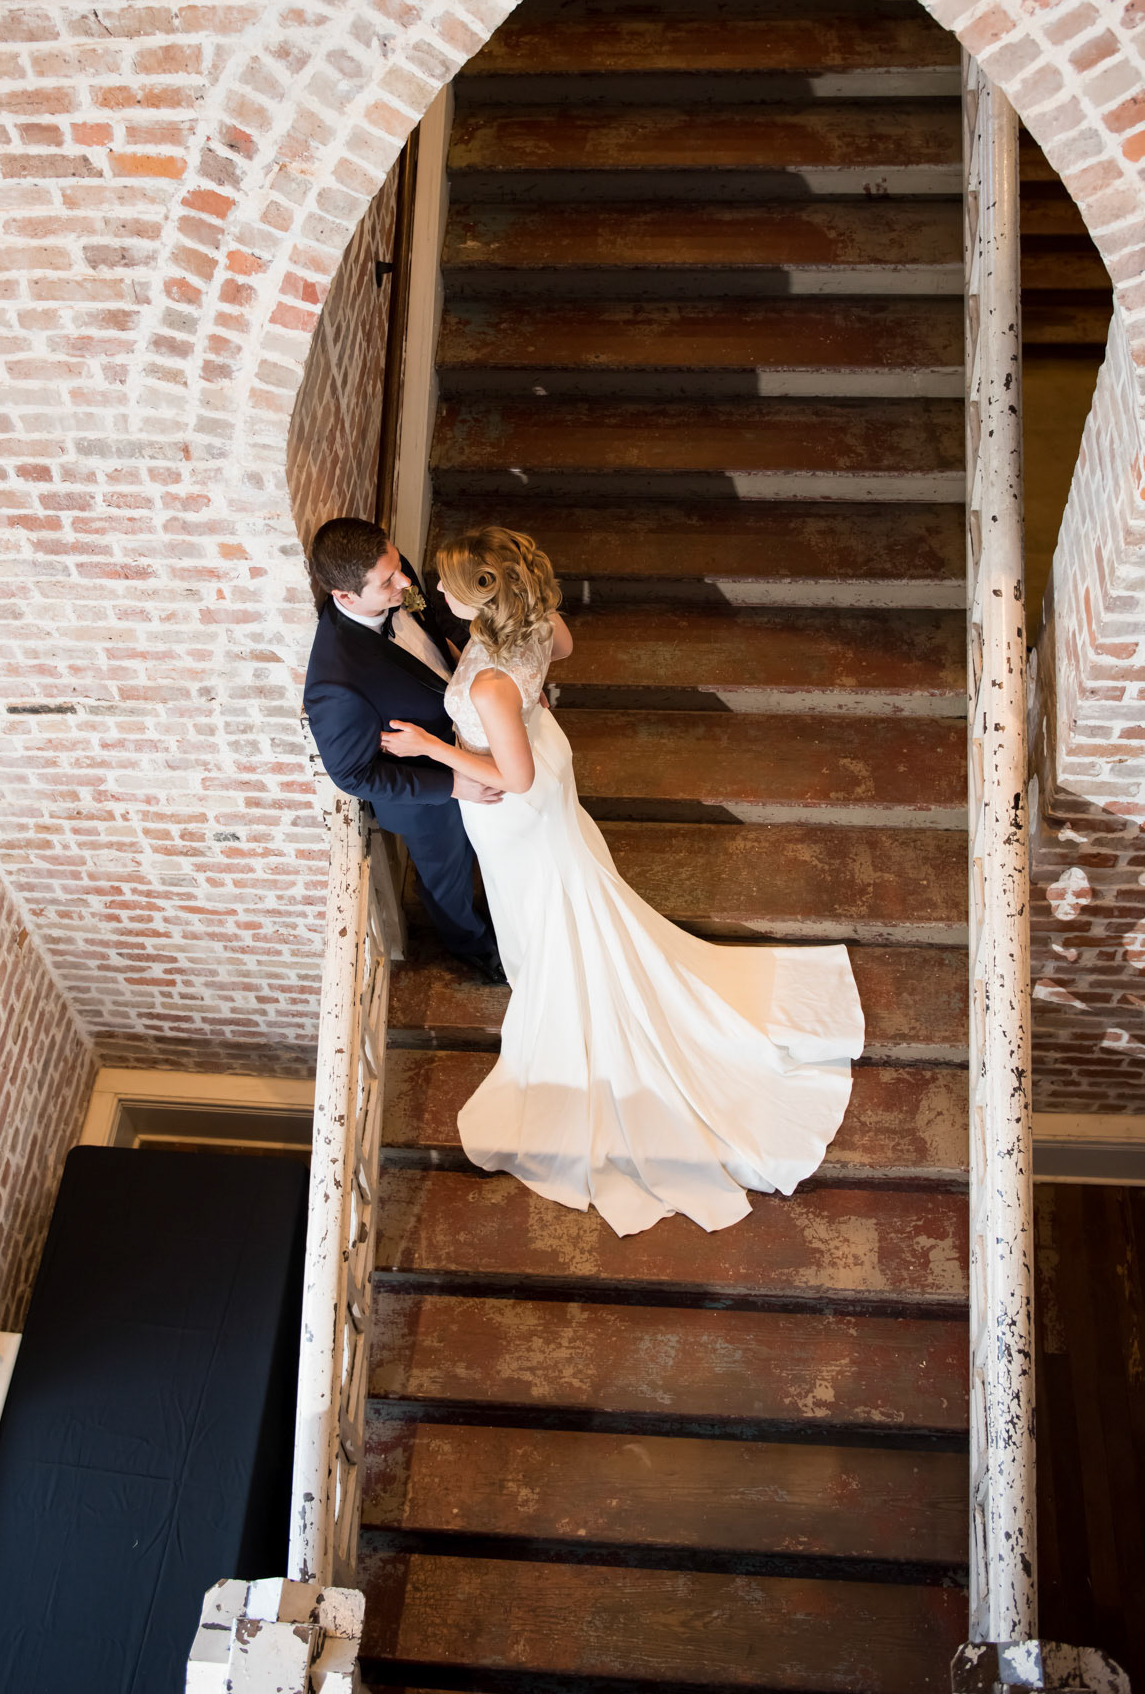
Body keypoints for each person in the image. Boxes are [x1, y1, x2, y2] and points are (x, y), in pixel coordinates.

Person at [380, 524, 866, 1237]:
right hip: (544, 770)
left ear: (478, 597)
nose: (438, 591)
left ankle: (568, 992)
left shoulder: (486, 681)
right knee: (566, 895)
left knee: (548, 906)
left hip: (515, 804)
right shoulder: (531, 627)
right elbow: (562, 649)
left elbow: (510, 779)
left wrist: (429, 746)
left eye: (447, 584)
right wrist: (525, 699)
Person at [302, 515, 507, 985]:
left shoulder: (394, 575)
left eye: (397, 565)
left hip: (465, 737)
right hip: (425, 796)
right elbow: (354, 775)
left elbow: (432, 623)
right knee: (448, 875)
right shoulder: (336, 682)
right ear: (345, 597)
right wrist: (452, 784)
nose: (405, 581)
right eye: (388, 581)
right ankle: (472, 945)